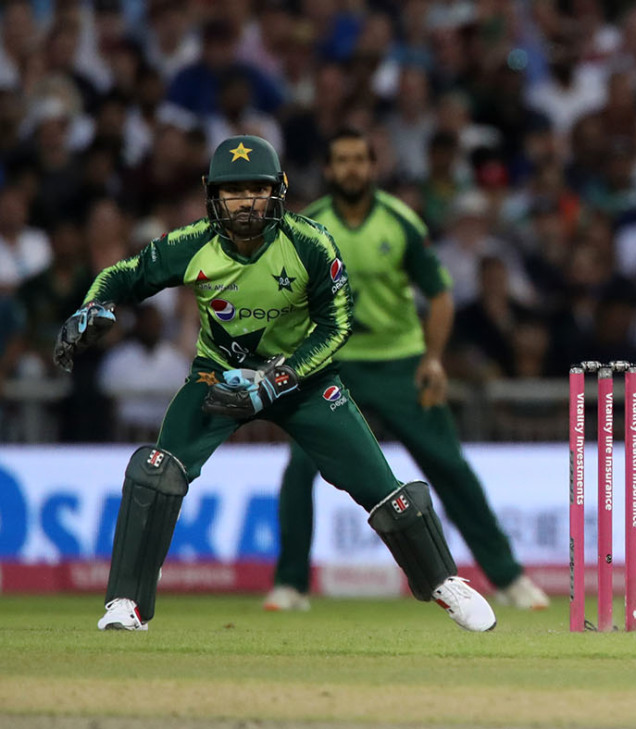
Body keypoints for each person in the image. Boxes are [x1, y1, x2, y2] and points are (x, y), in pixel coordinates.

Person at [54, 135, 496, 633]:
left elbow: (337, 326)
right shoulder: (192, 243)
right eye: (233, 191)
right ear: (212, 195)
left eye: (256, 190)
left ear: (278, 191)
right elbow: (123, 275)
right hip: (218, 376)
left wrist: (277, 379)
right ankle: (126, 604)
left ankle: (443, 582)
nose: (245, 202)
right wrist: (91, 306)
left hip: (301, 381)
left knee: (382, 488)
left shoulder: (309, 242)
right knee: (158, 471)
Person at [264, 130, 547, 613]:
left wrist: (433, 359)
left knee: (450, 468)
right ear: (329, 171)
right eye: (341, 160)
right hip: (333, 365)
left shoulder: (400, 222)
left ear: (372, 167)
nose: (351, 168)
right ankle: (290, 585)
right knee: (299, 470)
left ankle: (510, 578)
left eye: (359, 159)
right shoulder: (308, 227)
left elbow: (439, 295)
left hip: (400, 364)